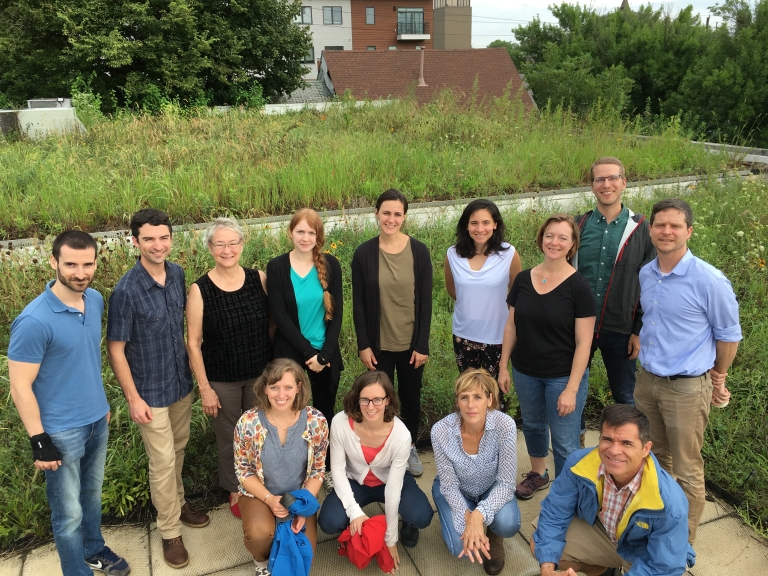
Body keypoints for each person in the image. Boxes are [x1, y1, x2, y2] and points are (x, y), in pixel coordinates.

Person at [8, 231, 130, 576]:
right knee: (67, 514)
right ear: (53, 263)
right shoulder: (34, 321)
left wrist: (101, 404)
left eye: (87, 263)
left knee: (91, 497)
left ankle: (93, 549)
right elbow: (20, 385)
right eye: (71, 264)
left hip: (96, 420)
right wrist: (39, 439)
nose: (80, 272)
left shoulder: (94, 300)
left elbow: (85, 359)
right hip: (61, 431)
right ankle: (76, 571)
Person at [633, 198, 741, 543]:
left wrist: (718, 376)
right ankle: (657, 524)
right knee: (654, 458)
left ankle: (682, 543)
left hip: (686, 390)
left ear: (689, 231)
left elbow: (728, 336)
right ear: (650, 230)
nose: (666, 231)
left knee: (687, 469)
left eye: (675, 225)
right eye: (660, 225)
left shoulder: (709, 280)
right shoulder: (646, 272)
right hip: (647, 381)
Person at [107, 209, 209, 569]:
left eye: (163, 237)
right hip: (148, 391)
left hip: (179, 381)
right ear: (134, 241)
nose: (157, 245)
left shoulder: (178, 274)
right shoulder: (126, 291)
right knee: (162, 461)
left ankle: (178, 503)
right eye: (149, 238)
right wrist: (133, 399)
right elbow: (116, 349)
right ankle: (169, 532)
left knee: (178, 450)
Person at [531, 404, 695, 576]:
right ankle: (600, 570)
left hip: (646, 554)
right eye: (607, 439)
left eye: (626, 443)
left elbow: (663, 567)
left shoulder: (670, 502)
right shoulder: (578, 463)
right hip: (607, 535)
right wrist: (547, 571)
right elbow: (555, 513)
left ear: (646, 448)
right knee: (541, 545)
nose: (614, 451)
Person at [498, 214, 596, 499]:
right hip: (526, 371)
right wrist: (504, 366)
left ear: (572, 245)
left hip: (563, 377)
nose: (555, 242)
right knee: (533, 424)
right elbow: (511, 325)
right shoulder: (523, 279)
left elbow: (584, 343)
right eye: (550, 235)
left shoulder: (579, 287)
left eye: (563, 237)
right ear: (541, 239)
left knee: (565, 440)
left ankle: (567, 494)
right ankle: (538, 474)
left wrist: (572, 389)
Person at [186, 217, 271, 518]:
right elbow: (194, 343)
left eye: (233, 242)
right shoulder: (200, 290)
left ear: (242, 245)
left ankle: (261, 484)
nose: (227, 249)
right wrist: (205, 388)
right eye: (220, 244)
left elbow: (272, 323)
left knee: (261, 434)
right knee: (231, 438)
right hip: (222, 380)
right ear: (210, 248)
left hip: (260, 376)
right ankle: (235, 489)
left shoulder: (258, 278)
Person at [573, 157, 655, 447]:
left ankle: (628, 449)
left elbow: (650, 283)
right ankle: (576, 444)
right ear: (592, 185)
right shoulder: (578, 225)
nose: (606, 184)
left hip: (620, 327)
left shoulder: (641, 228)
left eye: (612, 178)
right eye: (599, 179)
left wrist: (638, 330)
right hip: (578, 325)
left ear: (624, 182)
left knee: (624, 393)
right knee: (574, 388)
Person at [318, 371, 434, 573]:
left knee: (421, 515)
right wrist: (354, 512)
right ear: (356, 398)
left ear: (388, 400)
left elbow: (394, 488)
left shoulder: (401, 435)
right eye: (364, 399)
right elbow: (336, 469)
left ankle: (408, 523)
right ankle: (355, 524)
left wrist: (390, 538)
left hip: (391, 481)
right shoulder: (339, 423)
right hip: (355, 481)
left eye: (378, 399)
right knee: (329, 522)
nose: (370, 407)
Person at [351, 188, 433, 477]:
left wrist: (422, 344)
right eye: (386, 212)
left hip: (411, 345)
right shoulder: (364, 254)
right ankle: (384, 450)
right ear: (376, 213)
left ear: (404, 217)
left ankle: (408, 447)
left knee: (410, 399)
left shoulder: (419, 251)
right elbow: (358, 303)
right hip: (379, 345)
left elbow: (425, 301)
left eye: (398, 214)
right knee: (379, 401)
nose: (391, 218)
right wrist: (364, 344)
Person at [266, 208, 343, 488]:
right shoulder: (276, 267)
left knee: (324, 415)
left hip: (325, 354)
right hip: (290, 355)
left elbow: (338, 314)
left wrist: (325, 354)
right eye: (300, 231)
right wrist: (309, 353)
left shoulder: (331, 265)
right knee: (290, 415)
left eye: (311, 232)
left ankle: (326, 470)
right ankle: (294, 472)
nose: (305, 237)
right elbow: (281, 318)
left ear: (318, 236)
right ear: (290, 232)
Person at [233, 359, 328, 576]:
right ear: (265, 388)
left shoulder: (316, 421)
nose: (280, 394)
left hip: (298, 494)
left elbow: (317, 471)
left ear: (299, 387)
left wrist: (303, 507)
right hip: (260, 493)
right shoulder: (248, 422)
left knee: (304, 556)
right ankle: (262, 563)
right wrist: (269, 499)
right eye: (274, 387)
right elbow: (243, 471)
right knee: (259, 535)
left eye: (288, 387)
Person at [431, 368, 521, 576]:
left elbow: (507, 483)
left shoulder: (504, 425)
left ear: (489, 400)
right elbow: (449, 485)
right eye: (464, 397)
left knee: (508, 524)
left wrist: (478, 516)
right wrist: (467, 517)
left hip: (491, 487)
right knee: (459, 547)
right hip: (456, 489)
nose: (470, 405)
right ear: (457, 402)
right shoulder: (440, 431)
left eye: (478, 397)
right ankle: (472, 523)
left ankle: (493, 533)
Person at [444, 199, 522, 409]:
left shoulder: (509, 254)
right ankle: (472, 436)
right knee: (469, 394)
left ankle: (497, 438)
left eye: (486, 222)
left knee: (495, 394)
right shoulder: (453, 254)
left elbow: (516, 296)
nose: (480, 229)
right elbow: (453, 290)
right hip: (464, 335)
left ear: (495, 224)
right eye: (474, 223)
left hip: (497, 337)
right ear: (466, 225)